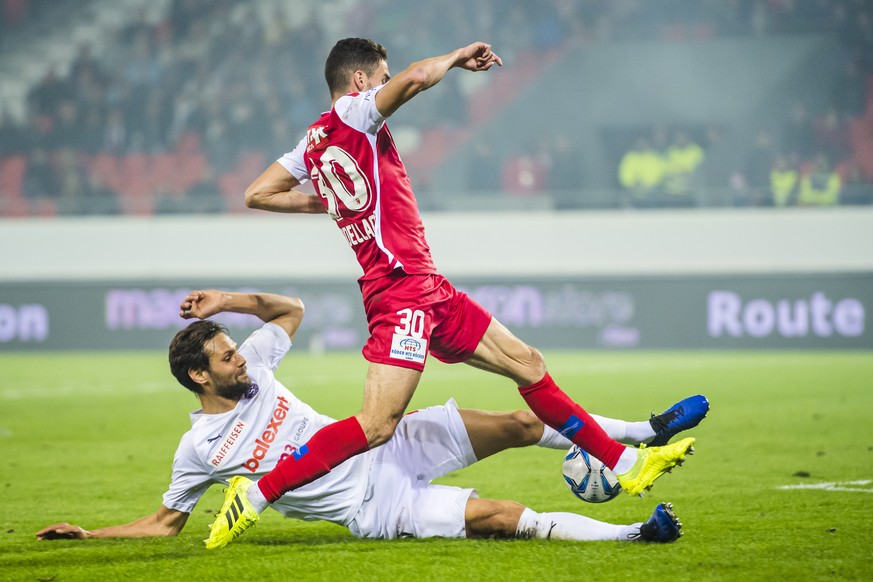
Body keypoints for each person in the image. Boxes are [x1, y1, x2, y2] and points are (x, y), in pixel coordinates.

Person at [230, 38, 702, 549]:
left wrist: (327, 205)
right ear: (360, 80)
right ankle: (258, 495)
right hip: (399, 292)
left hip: (429, 288)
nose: (385, 85)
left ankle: (628, 460)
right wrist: (455, 59)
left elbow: (257, 193)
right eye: (379, 77)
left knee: (529, 365)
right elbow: (414, 79)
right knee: (376, 425)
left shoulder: (311, 143)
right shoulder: (355, 112)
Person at [36, 289, 706, 545]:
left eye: (234, 348)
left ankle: (643, 433)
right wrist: (90, 536)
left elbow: (289, 311)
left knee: (520, 424)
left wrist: (233, 299)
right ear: (197, 378)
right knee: (505, 518)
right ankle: (635, 537)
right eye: (224, 358)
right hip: (371, 504)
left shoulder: (258, 367)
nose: (239, 360)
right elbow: (164, 524)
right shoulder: (200, 450)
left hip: (383, 444)